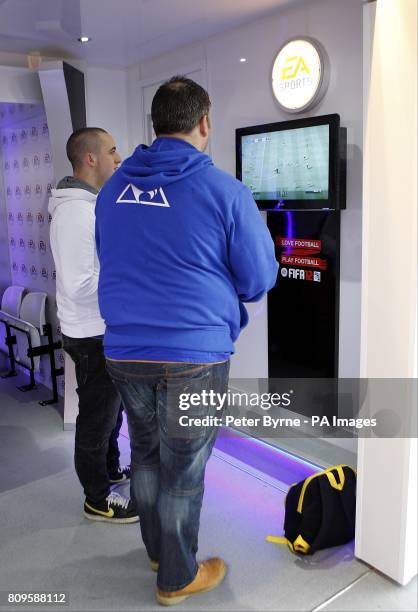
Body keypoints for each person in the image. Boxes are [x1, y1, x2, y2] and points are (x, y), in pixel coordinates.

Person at [95, 77, 278, 604]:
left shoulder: (112, 191)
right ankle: (176, 575)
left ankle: (158, 549)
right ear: (204, 122)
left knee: (147, 456)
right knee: (184, 468)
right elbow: (258, 278)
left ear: (156, 123)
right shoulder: (225, 190)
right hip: (193, 354)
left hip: (126, 351)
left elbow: (111, 257)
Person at [49, 127, 138, 524]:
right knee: (97, 419)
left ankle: (110, 471)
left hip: (101, 328)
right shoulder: (75, 213)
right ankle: (96, 498)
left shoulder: (90, 206)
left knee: (110, 412)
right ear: (90, 158)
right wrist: (128, 272)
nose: (118, 159)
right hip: (90, 334)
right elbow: (80, 283)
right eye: (112, 151)